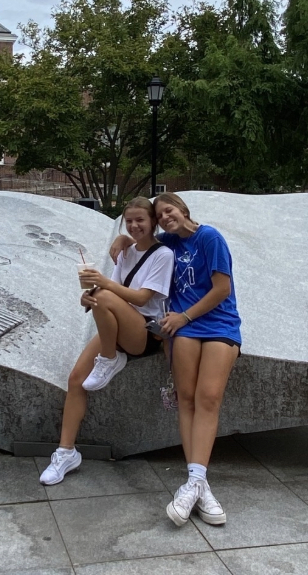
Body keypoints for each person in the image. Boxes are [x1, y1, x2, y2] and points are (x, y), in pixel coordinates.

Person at [111, 192, 241, 527]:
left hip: (218, 324)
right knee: (186, 398)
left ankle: (195, 484)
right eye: (160, 215)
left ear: (183, 209)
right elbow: (141, 239)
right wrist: (122, 239)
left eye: (169, 211)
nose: (165, 218)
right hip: (184, 330)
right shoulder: (168, 241)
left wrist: (184, 317)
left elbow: (222, 289)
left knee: (208, 397)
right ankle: (198, 483)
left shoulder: (209, 237)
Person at [40, 197, 174, 486]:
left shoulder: (163, 255)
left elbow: (142, 298)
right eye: (129, 221)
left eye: (140, 220)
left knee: (103, 294)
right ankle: (66, 452)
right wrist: (88, 297)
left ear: (153, 221)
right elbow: (111, 292)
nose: (134, 226)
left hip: (142, 332)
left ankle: (110, 358)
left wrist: (102, 286)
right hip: (115, 326)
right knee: (76, 379)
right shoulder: (125, 251)